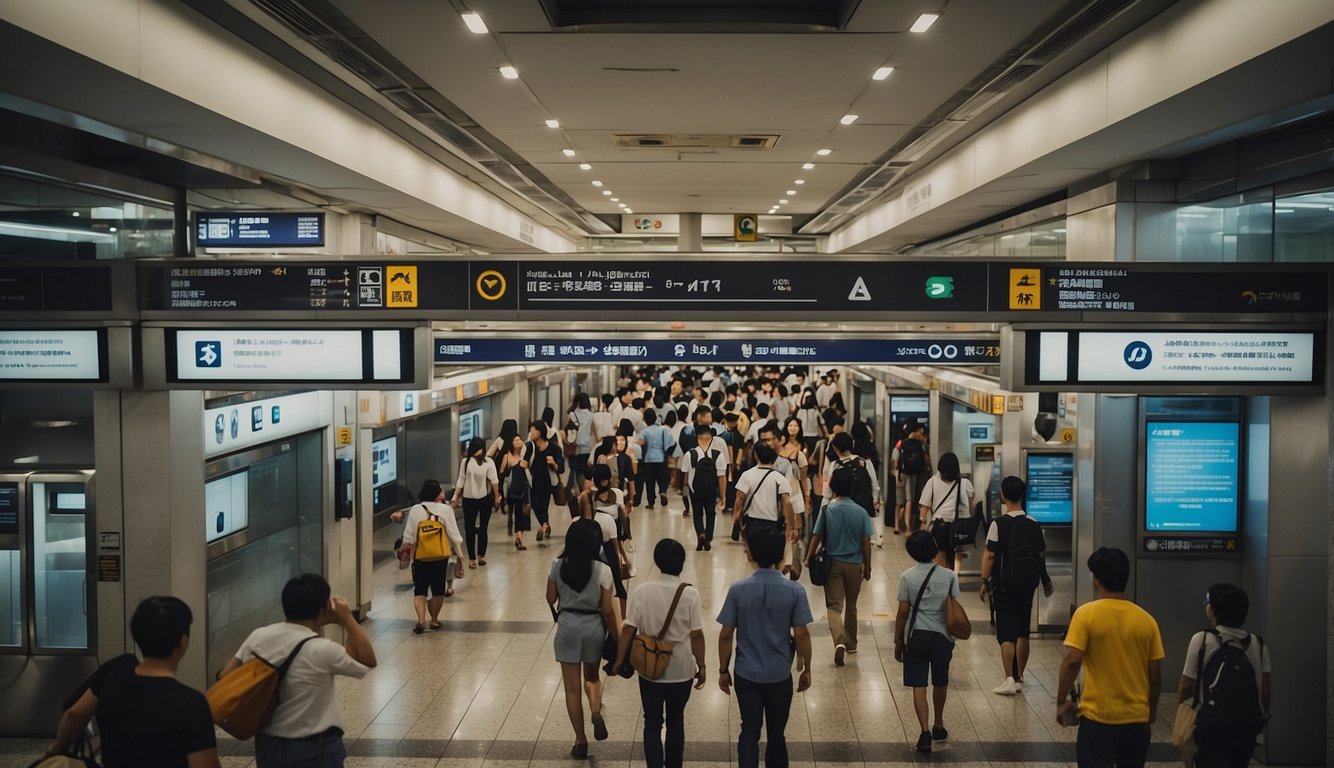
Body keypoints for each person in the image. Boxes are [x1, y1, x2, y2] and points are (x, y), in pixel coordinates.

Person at [45, 596, 220, 768]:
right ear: (183, 641)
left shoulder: (113, 673)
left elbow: (74, 715)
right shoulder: (191, 704)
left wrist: (56, 749)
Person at [221, 574, 377, 767]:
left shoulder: (258, 636)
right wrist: (346, 618)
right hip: (313, 748)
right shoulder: (322, 649)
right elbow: (368, 660)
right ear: (322, 609)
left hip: (267, 744)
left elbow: (226, 676)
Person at [1056, 547, 1164, 768]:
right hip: (1136, 719)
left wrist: (1060, 700)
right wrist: (1150, 712)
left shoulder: (1086, 614)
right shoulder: (1147, 620)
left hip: (1098, 718)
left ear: (1096, 579)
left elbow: (1072, 661)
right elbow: (1155, 676)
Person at [717, 527, 813, 768]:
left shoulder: (738, 590)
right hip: (779, 674)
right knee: (777, 733)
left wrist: (722, 670)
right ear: (781, 556)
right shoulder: (795, 591)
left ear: (751, 556)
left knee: (748, 729)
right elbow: (801, 633)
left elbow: (726, 634)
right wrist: (807, 668)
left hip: (746, 673)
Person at [613, 539, 707, 768]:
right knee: (676, 721)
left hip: (649, 669)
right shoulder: (690, 594)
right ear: (682, 563)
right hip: (681, 669)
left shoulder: (643, 591)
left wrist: (618, 662)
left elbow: (628, 630)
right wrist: (702, 666)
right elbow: (696, 636)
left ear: (657, 561)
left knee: (652, 722)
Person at [547, 519, 621, 759]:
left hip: (567, 625)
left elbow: (550, 598)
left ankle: (580, 741)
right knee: (592, 677)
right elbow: (608, 610)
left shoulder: (557, 565)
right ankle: (595, 709)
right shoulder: (604, 570)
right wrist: (618, 637)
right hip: (593, 627)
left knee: (571, 689)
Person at [1176, 583, 1270, 768]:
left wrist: (1183, 716)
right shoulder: (1258, 645)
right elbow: (1265, 691)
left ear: (1212, 610)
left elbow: (1186, 685)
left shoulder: (1202, 640)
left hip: (1211, 726)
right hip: (1245, 727)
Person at [979, 475, 1053, 695]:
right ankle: (1020, 676)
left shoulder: (998, 524)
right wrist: (1046, 580)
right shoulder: (1033, 524)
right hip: (1028, 583)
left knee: (1006, 632)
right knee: (1023, 631)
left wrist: (984, 580)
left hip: (1004, 583)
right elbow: (1040, 556)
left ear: (1003, 495)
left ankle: (1009, 678)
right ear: (1023, 495)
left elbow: (990, 555)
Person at [894, 531, 960, 753]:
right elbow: (953, 606)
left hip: (916, 637)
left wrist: (897, 641)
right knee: (940, 681)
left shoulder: (907, 576)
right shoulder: (950, 576)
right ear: (933, 548)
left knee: (918, 684)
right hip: (942, 637)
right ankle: (938, 724)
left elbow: (903, 612)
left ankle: (924, 732)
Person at [804, 468, 872, 666]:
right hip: (855, 565)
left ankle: (839, 640)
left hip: (833, 564)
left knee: (834, 607)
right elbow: (866, 542)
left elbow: (816, 537)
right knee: (852, 606)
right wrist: (867, 567)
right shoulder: (861, 512)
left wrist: (808, 558)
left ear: (833, 487)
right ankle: (851, 643)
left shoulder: (827, 510)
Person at [395, 479, 465, 628]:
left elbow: (408, 537)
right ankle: (434, 620)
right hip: (440, 556)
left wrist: (405, 554)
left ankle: (421, 620)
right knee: (438, 589)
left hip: (420, 556)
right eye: (441, 490)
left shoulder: (415, 509)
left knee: (420, 589)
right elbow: (454, 536)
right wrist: (459, 555)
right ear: (437, 494)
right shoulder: (446, 510)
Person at [732, 443, 796, 562]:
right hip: (772, 523)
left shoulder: (747, 475)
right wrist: (793, 526)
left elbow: (739, 497)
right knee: (769, 556)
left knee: (753, 555)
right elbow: (787, 502)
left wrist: (736, 514)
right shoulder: (779, 478)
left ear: (756, 456)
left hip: (752, 522)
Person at [582, 464, 631, 616]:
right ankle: (601, 610)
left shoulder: (616, 494)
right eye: (600, 480)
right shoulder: (590, 495)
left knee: (617, 579)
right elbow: (586, 517)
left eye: (605, 479)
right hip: (595, 541)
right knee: (595, 577)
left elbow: (623, 519)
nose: (603, 483)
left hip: (612, 541)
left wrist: (627, 541)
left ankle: (622, 617)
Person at [917, 452, 974, 571]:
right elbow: (970, 508)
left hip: (940, 527)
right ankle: (954, 580)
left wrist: (922, 522)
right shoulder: (965, 484)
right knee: (957, 556)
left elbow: (924, 507)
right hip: (959, 527)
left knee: (941, 559)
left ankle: (943, 582)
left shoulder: (932, 482)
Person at [452, 436, 501, 569]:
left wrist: (497, 496)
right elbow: (461, 480)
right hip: (472, 499)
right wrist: (455, 497)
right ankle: (475, 557)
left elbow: (494, 480)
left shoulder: (487, 462)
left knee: (479, 528)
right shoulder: (466, 462)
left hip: (480, 499)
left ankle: (478, 557)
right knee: (472, 529)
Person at [684, 424, 727, 551]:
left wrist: (685, 492)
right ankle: (708, 538)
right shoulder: (717, 455)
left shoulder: (690, 454)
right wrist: (723, 496)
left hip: (694, 490)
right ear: (712, 438)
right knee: (710, 513)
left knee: (697, 514)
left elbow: (685, 476)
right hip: (711, 491)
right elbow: (721, 477)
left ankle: (700, 534)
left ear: (697, 438)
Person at [527, 419, 565, 542]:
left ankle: (544, 526)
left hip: (548, 482)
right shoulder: (530, 447)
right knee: (535, 505)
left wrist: (553, 463)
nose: (531, 432)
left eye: (534, 430)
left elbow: (561, 467)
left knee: (543, 507)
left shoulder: (554, 448)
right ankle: (545, 525)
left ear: (540, 432)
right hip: (533, 482)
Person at [635, 407, 676, 510]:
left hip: (648, 459)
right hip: (660, 458)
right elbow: (672, 443)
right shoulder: (662, 430)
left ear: (645, 419)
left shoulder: (644, 432)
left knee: (650, 481)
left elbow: (638, 444)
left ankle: (651, 502)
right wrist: (668, 454)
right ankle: (663, 491)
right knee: (664, 478)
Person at [498, 433, 532, 550]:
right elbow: (501, 475)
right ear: (512, 444)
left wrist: (526, 467)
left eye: (520, 440)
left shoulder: (525, 457)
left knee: (519, 515)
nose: (519, 442)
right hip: (509, 491)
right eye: (516, 440)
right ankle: (515, 533)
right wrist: (499, 493)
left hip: (520, 491)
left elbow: (529, 476)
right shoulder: (507, 456)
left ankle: (519, 538)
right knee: (510, 514)